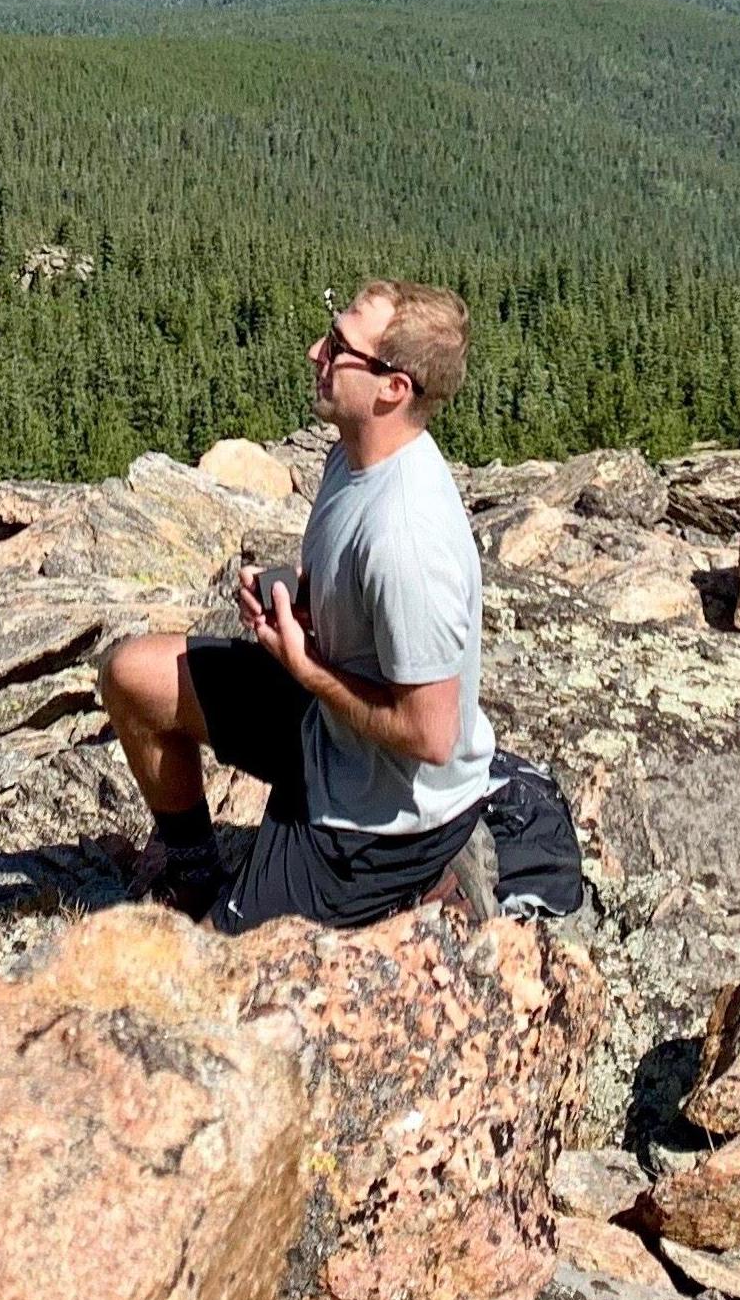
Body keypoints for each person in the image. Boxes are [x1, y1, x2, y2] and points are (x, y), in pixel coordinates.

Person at [95, 277, 499, 932]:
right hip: (330, 731)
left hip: (387, 815)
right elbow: (354, 590)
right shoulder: (357, 452)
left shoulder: (407, 537)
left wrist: (306, 668)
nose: (316, 350)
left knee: (216, 973)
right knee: (133, 675)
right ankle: (195, 873)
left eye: (339, 346)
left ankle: (424, 883)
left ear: (393, 388)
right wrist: (298, 592)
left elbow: (432, 734)